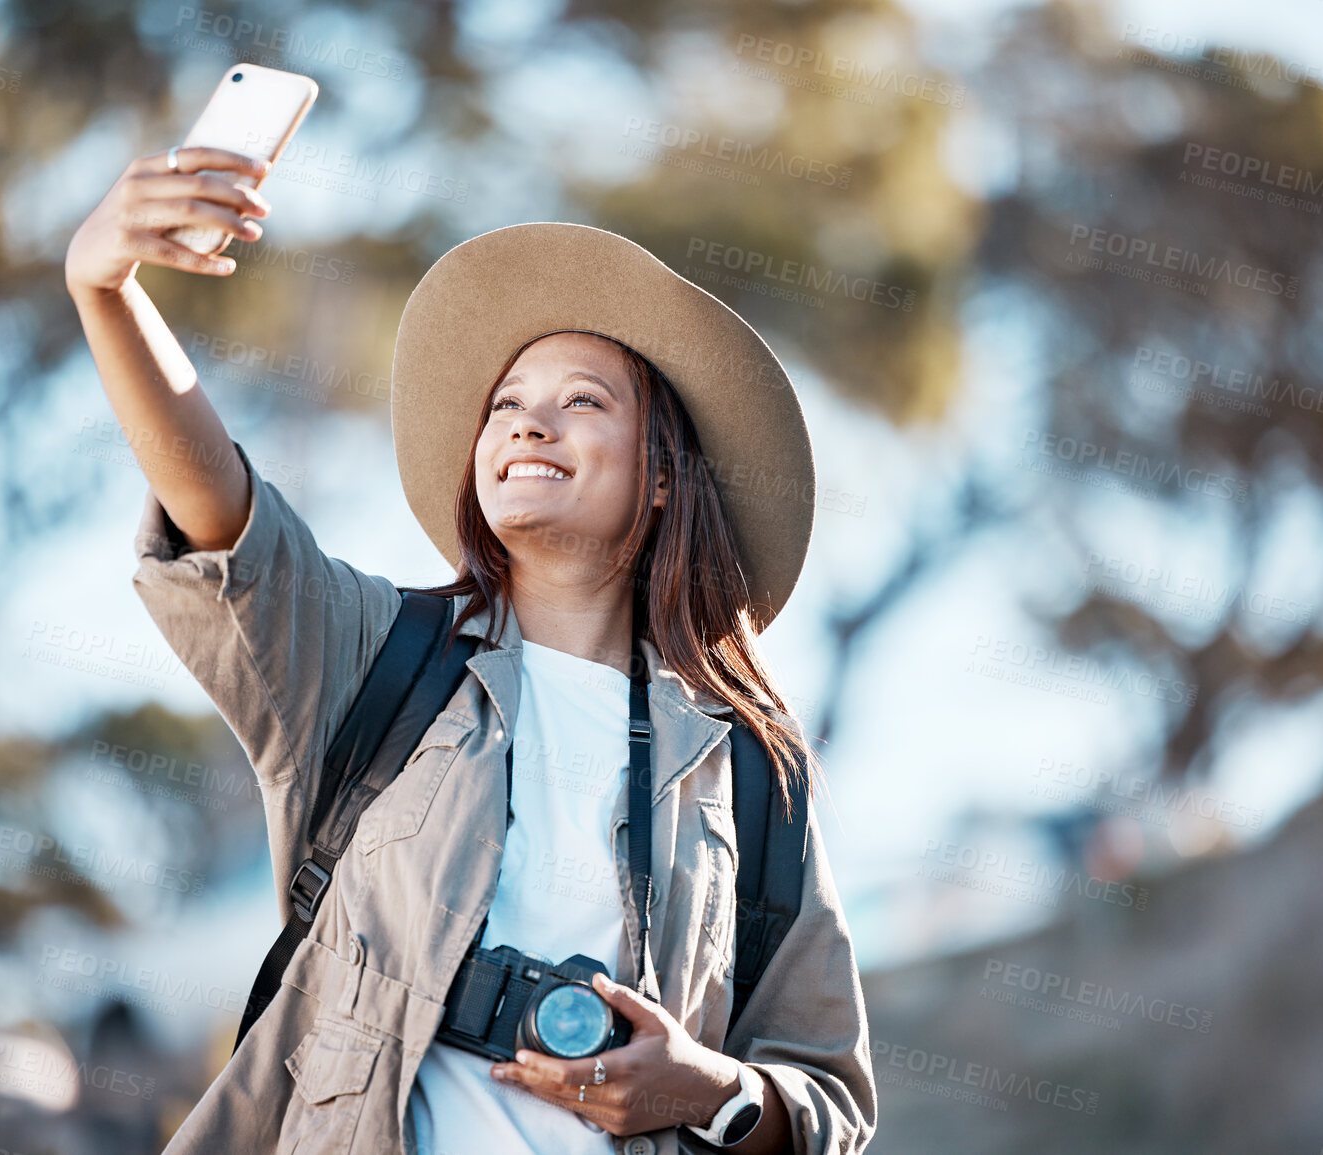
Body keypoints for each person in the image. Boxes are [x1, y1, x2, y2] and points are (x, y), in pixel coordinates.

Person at [64, 144, 877, 1155]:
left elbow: (828, 1105)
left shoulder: (750, 777)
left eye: (582, 401)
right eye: (504, 404)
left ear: (665, 475)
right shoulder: (377, 657)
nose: (527, 423)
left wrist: (706, 1092)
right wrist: (106, 293)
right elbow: (217, 506)